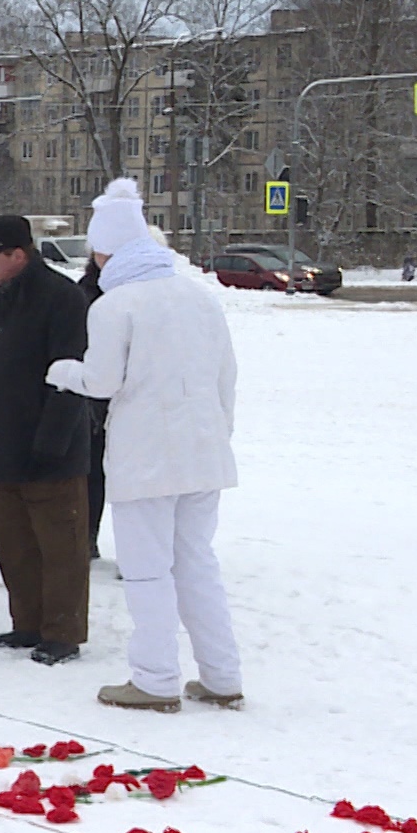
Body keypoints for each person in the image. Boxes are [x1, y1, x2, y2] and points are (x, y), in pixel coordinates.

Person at [47, 179, 244, 712]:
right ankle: (223, 677)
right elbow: (226, 378)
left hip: (146, 459)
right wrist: (216, 432)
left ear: (105, 250)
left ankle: (155, 680)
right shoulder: (200, 299)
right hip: (205, 453)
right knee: (197, 563)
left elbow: (104, 381)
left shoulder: (115, 305)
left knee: (148, 570)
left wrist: (63, 371)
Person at [0, 213, 92, 665]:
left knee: (60, 545)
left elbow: (71, 374)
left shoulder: (62, 297)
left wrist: (52, 440)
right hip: (0, 438)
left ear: (17, 255)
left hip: (50, 447)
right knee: (15, 544)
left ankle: (62, 631)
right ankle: (28, 622)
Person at [78, 257, 111, 566]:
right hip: (96, 396)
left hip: (141, 397)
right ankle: (88, 534)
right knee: (93, 472)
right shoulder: (86, 292)